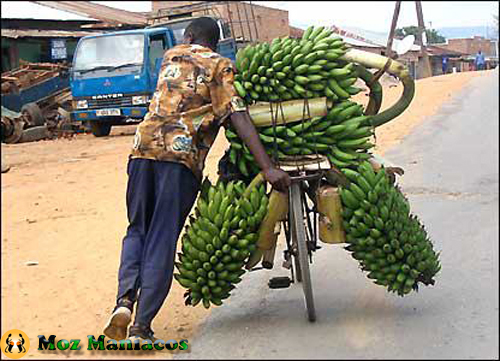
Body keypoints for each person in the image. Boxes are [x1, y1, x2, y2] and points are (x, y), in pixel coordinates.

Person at [103, 17, 291, 342]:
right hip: (179, 157)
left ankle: (124, 301)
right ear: (214, 43)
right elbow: (236, 113)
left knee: (137, 229)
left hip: (142, 150)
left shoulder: (170, 57)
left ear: (188, 37)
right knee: (163, 235)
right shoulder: (220, 65)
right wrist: (267, 167)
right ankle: (141, 326)